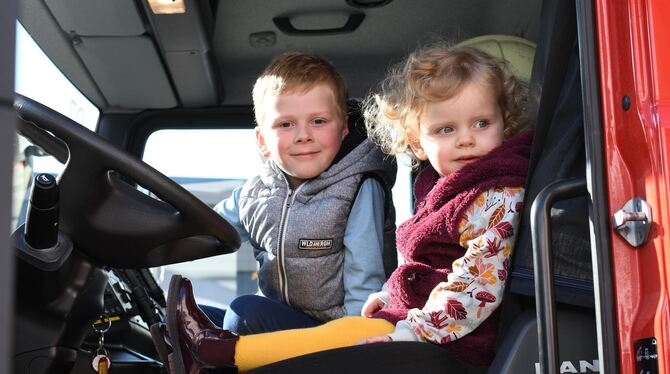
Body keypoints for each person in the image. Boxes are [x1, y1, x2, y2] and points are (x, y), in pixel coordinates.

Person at [166, 44, 533, 373]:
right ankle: (209, 351)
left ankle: (216, 353)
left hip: (449, 337)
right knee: (218, 316)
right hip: (412, 320)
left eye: (481, 123)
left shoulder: (494, 196)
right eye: (446, 129)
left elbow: (474, 287)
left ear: (506, 123)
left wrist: (404, 328)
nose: (466, 138)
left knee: (246, 314)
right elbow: (421, 269)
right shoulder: (444, 191)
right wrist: (388, 298)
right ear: (416, 142)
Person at [198, 51, 397, 334]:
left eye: (318, 121)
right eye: (285, 124)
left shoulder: (359, 187)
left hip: (334, 333)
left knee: (244, 314)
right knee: (187, 321)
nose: (303, 135)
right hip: (282, 323)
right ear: (262, 141)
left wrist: (353, 346)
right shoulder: (254, 193)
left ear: (342, 130)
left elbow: (365, 279)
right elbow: (204, 229)